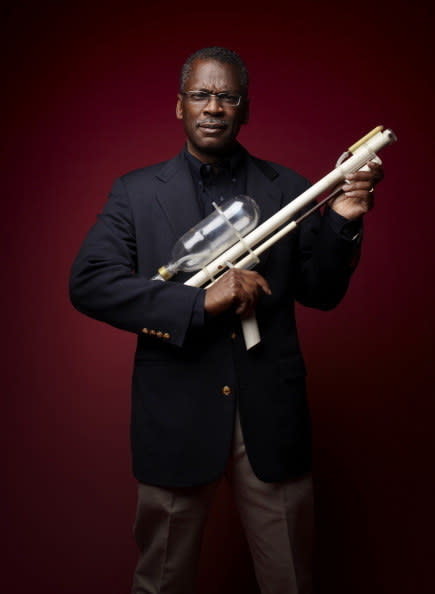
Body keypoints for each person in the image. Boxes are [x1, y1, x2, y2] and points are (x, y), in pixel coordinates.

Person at [69, 47, 383, 594]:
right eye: (201, 95)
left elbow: (323, 293)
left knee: (290, 579)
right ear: (180, 107)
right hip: (175, 418)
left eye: (227, 96)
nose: (213, 107)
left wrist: (343, 223)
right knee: (161, 581)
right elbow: (89, 283)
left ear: (244, 109)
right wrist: (197, 302)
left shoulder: (288, 188)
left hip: (271, 418)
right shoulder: (136, 192)